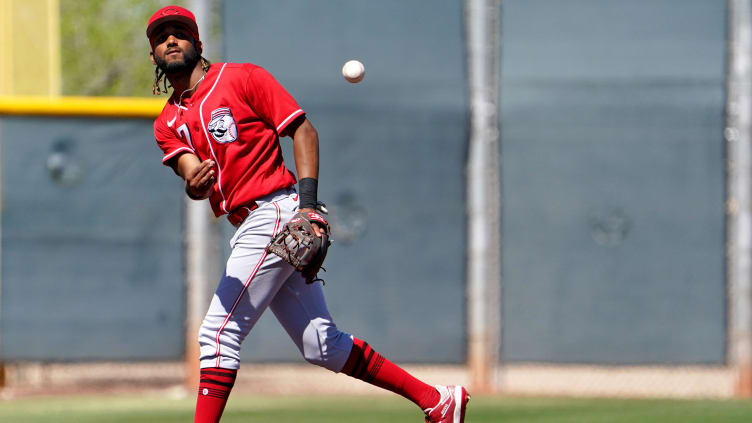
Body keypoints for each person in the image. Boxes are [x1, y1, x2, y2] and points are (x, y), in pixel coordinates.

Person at [146, 6, 469, 423]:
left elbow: (303, 130)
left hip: (277, 211)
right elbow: (192, 173)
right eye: (161, 37)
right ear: (153, 54)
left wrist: (309, 205)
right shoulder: (167, 122)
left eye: (180, 32)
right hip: (248, 223)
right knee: (322, 344)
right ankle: (438, 400)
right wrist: (195, 185)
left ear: (199, 43)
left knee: (218, 334)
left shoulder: (243, 78)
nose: (171, 40)